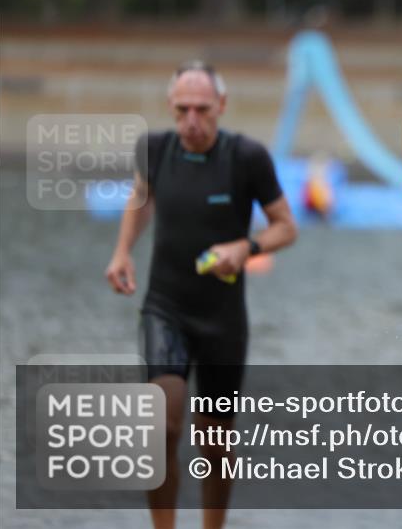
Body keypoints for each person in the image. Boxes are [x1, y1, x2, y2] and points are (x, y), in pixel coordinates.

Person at [104, 61, 297, 529]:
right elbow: (141, 197)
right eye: (182, 109)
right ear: (171, 108)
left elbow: (285, 228)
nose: (191, 120)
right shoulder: (154, 148)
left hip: (222, 320)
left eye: (202, 109)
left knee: (214, 442)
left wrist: (244, 247)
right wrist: (122, 251)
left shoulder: (247, 158)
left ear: (221, 107)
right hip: (164, 308)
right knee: (161, 426)